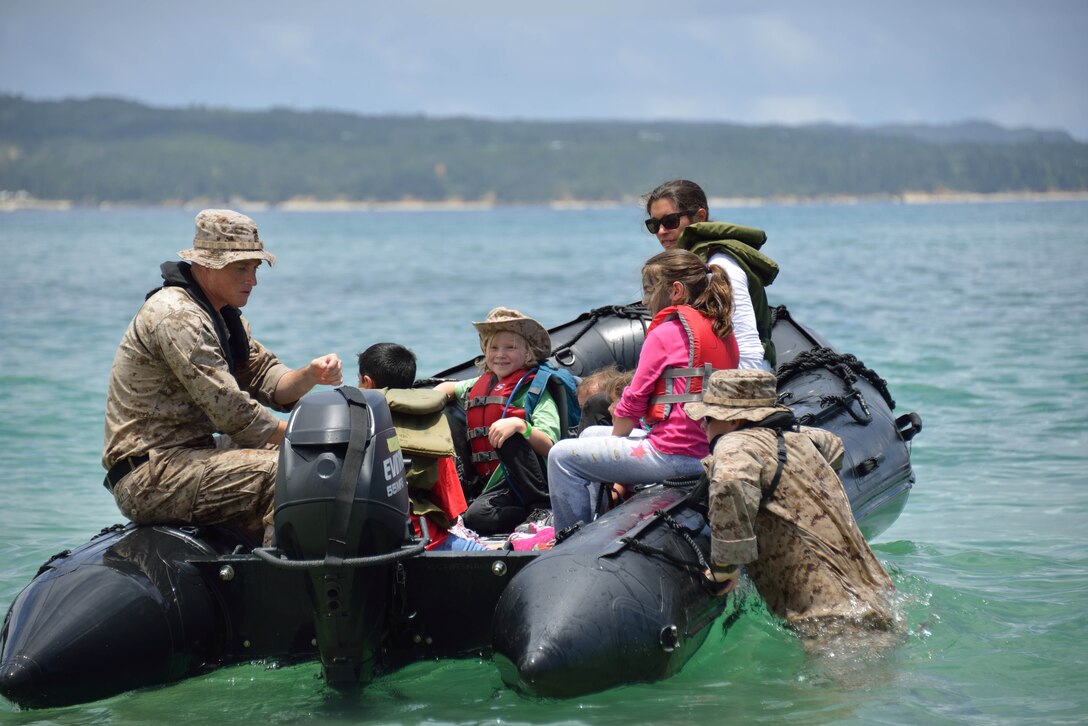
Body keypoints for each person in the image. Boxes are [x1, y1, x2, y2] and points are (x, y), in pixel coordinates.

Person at [102, 209, 343, 547]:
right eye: (241, 268)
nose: (253, 280)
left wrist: (310, 375)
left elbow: (264, 376)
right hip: (150, 475)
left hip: (189, 455)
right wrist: (310, 435)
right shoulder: (179, 316)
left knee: (306, 457)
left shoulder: (220, 315)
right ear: (206, 265)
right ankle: (281, 581)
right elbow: (231, 412)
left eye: (255, 268)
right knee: (292, 471)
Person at [685, 368, 895, 638]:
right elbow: (833, 445)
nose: (703, 425)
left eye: (710, 418)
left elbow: (730, 482)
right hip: (873, 598)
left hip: (828, 619)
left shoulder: (735, 444)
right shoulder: (800, 439)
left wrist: (725, 568)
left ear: (734, 421)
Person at [548, 248, 739, 531]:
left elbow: (632, 406)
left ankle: (570, 538)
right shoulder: (722, 329)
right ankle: (595, 524)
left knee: (561, 457)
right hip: (707, 450)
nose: (645, 299)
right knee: (589, 433)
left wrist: (616, 447)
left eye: (650, 290)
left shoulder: (664, 333)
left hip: (675, 457)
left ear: (675, 291)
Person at [434, 307, 565, 535]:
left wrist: (521, 426)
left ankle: (544, 509)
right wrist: (428, 400)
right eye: (494, 347)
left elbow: (550, 445)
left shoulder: (535, 391)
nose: (500, 354)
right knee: (474, 515)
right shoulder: (478, 385)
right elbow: (449, 388)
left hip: (527, 483)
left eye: (510, 347)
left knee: (477, 517)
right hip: (491, 483)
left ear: (527, 353)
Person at [356, 342, 484, 551]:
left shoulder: (349, 421)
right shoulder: (432, 429)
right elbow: (452, 510)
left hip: (360, 540)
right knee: (482, 553)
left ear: (367, 382)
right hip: (420, 539)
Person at [643, 179, 780, 370]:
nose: (661, 231)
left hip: (737, 381)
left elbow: (748, 350)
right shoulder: (687, 267)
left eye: (669, 221)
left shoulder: (721, 266)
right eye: (654, 224)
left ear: (700, 217)